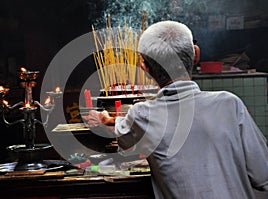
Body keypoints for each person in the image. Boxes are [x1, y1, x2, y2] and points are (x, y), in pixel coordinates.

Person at [85, 21, 268, 199]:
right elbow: (262, 176)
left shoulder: (142, 115)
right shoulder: (230, 104)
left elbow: (123, 140)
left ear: (144, 67)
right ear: (196, 54)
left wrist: (104, 119)